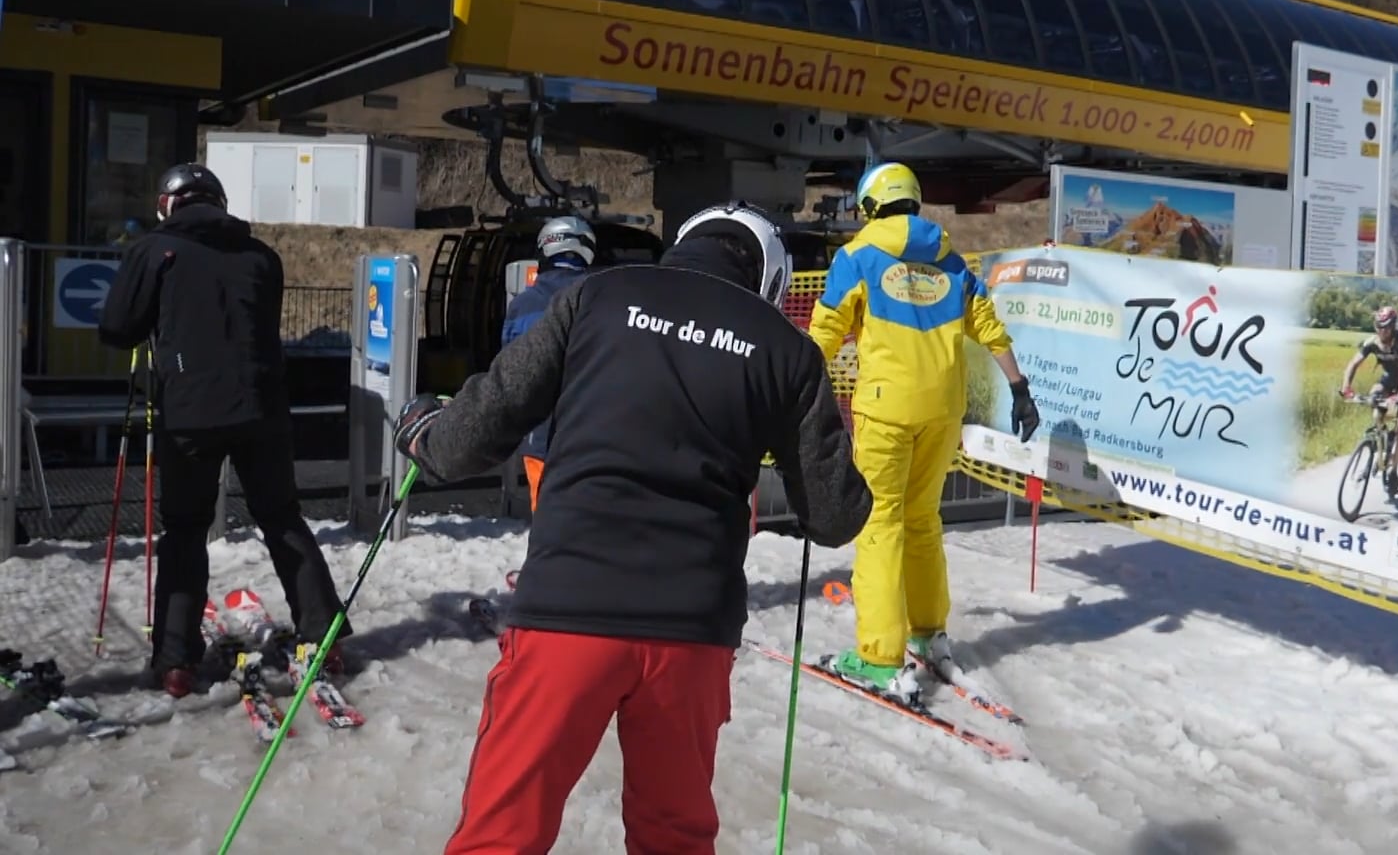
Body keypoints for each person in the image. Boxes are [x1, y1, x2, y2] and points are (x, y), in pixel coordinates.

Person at [392, 201, 872, 855]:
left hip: (569, 609)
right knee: (672, 836)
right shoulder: (784, 349)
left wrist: (425, 433)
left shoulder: (595, 297)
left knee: (502, 833)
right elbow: (835, 515)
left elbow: (477, 430)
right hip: (691, 633)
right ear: (770, 277)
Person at [97, 163, 350, 697]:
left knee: (186, 530)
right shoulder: (261, 255)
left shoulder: (155, 250)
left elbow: (118, 328)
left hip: (189, 411)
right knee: (282, 518)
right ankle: (324, 636)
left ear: (169, 204)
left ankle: (175, 661)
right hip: (262, 407)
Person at [805, 161, 1040, 703]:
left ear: (869, 206)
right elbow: (988, 325)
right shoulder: (951, 259)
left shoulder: (856, 256)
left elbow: (824, 332)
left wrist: (795, 393)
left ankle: (879, 657)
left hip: (887, 411)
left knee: (880, 525)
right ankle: (930, 633)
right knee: (923, 522)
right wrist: (1019, 389)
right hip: (942, 411)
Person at [500, 214, 599, 513]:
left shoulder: (522, 305)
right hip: (592, 433)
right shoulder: (601, 296)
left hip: (539, 435)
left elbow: (509, 371)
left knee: (545, 521)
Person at [1339, 306, 1398, 475]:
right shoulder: (1372, 343)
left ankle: (1394, 470)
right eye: (1379, 327)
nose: (1382, 331)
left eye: (1387, 327)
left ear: (1393, 326)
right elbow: (1354, 364)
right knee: (1374, 396)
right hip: (1389, 378)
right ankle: (1381, 434)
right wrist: (1346, 387)